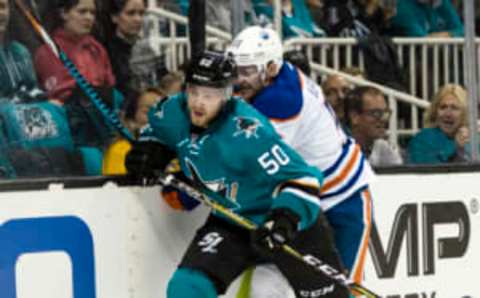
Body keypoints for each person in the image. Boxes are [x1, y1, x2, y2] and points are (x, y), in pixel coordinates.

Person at [125, 50, 350, 298]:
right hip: (232, 221)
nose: (199, 102)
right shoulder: (171, 110)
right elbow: (157, 132)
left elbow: (303, 179)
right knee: (187, 288)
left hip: (283, 225)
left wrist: (284, 220)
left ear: (228, 94)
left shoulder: (248, 132)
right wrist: (150, 151)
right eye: (194, 92)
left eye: (209, 95)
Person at [227, 26, 374, 298]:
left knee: (341, 292)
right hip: (302, 198)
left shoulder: (281, 102)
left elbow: (249, 163)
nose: (238, 79)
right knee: (267, 285)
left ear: (270, 68)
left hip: (341, 198)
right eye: (236, 69)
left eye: (247, 71)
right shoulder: (275, 79)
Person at [34, 0, 120, 149]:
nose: (89, 18)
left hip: (102, 123)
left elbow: (110, 87)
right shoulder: (49, 51)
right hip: (70, 128)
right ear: (64, 14)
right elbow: (60, 96)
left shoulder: (97, 49)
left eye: (92, 13)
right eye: (82, 12)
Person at [408, 84, 469, 164]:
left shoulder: (474, 139)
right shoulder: (421, 140)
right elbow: (427, 170)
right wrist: (454, 146)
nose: (448, 114)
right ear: (435, 112)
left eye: (454, 108)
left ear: (464, 114)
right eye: (443, 107)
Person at [347, 86, 403, 167]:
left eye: (385, 113)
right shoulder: (337, 150)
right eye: (376, 113)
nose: (383, 119)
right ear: (354, 117)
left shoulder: (385, 148)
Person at [389, 0, 464, 37]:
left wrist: (448, 34)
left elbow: (462, 30)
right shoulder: (402, 6)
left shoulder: (442, 2)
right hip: (410, 62)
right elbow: (422, 40)